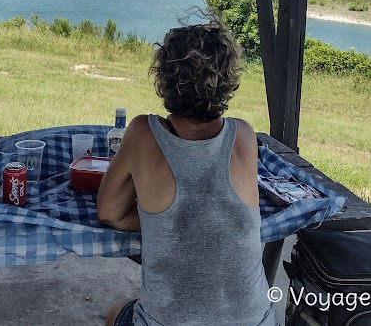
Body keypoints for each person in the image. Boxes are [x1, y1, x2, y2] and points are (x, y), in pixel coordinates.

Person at [97, 21, 279, 326]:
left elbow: (109, 213)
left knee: (116, 310)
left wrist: (162, 221)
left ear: (164, 78)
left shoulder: (143, 132)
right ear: (228, 81)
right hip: (257, 322)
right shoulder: (244, 136)